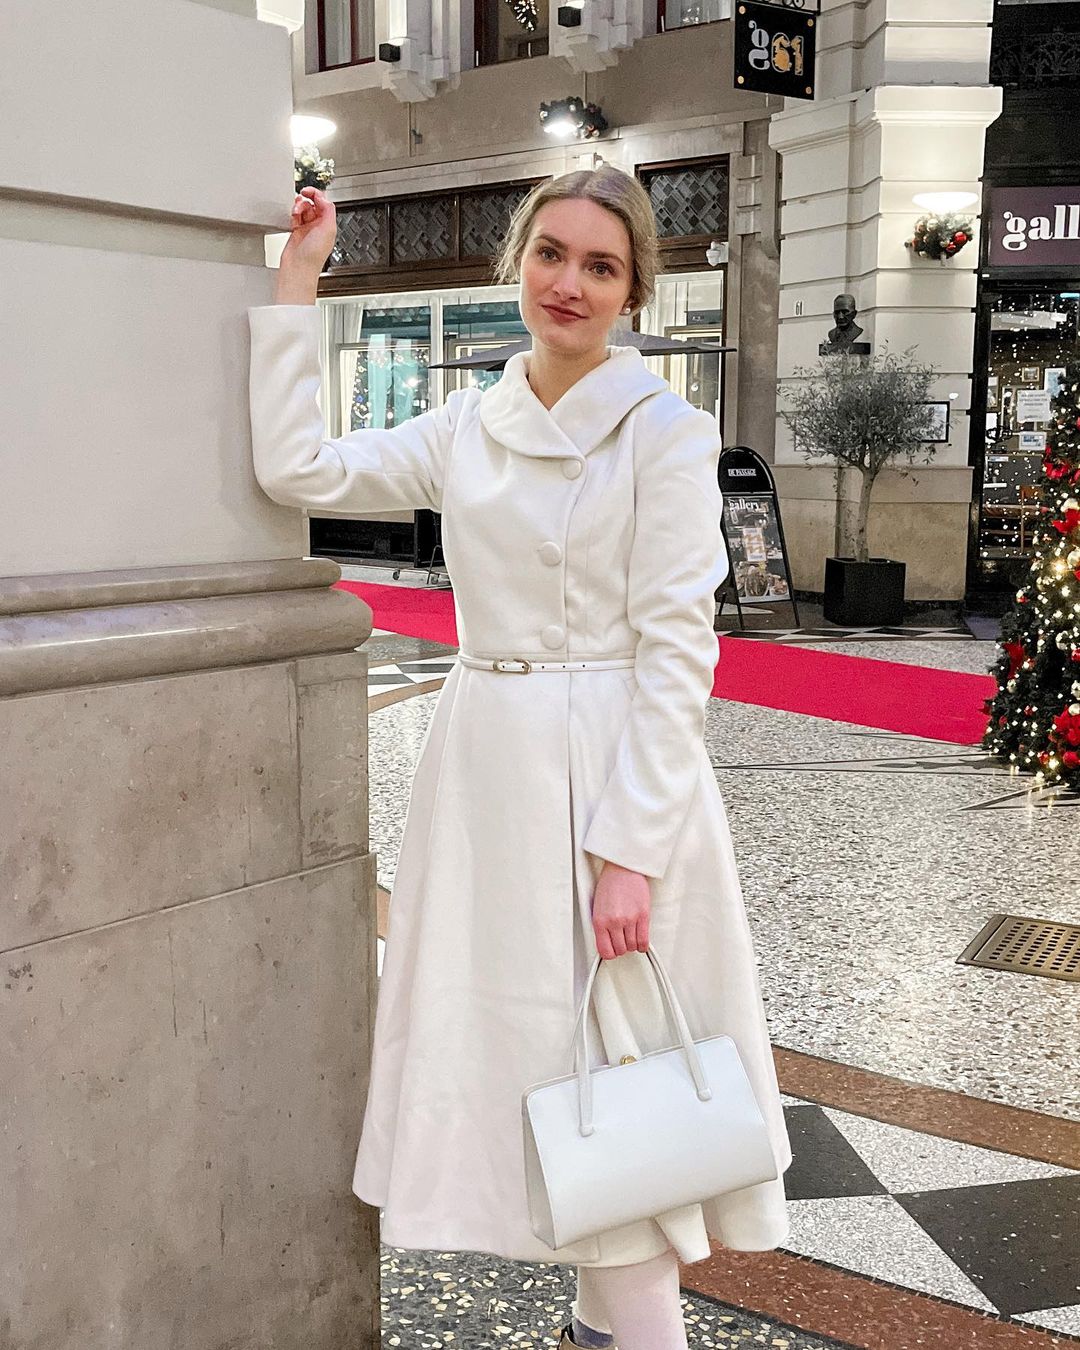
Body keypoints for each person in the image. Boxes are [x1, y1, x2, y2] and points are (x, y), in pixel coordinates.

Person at [247, 169, 792, 1350]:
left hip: (617, 784)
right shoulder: (468, 425)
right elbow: (301, 472)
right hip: (489, 777)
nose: (569, 283)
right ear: (517, 259)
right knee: (545, 1073)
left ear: (634, 289)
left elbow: (674, 653)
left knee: (626, 1080)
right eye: (552, 254)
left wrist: (631, 853)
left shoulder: (666, 435)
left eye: (601, 266)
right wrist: (298, 285)